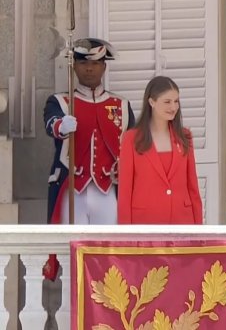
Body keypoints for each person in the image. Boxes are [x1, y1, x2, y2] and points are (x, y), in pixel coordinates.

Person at [42, 38, 135, 280]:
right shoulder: (61, 102)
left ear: (104, 66)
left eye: (95, 63)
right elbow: (50, 124)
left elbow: (133, 148)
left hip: (107, 191)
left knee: (110, 257)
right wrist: (62, 125)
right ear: (74, 66)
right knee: (68, 253)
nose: (89, 68)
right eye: (83, 63)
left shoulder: (121, 105)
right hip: (72, 190)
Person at [118, 76, 203, 224]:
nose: (173, 107)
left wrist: (199, 231)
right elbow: (125, 193)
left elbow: (193, 188)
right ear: (151, 102)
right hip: (145, 224)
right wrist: (126, 236)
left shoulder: (185, 137)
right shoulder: (131, 139)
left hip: (182, 222)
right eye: (167, 102)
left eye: (176, 101)